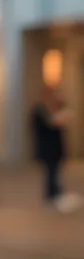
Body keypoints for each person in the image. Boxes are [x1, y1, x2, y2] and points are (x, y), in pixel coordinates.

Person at [32, 83, 78, 213]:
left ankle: (57, 194)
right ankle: (51, 197)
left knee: (55, 172)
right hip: (47, 148)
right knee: (50, 172)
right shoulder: (39, 110)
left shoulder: (53, 108)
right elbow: (50, 123)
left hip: (55, 148)